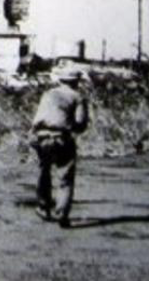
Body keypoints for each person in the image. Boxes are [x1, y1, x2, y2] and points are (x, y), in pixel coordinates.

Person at [30, 71, 90, 228]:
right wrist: (71, 126)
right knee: (65, 176)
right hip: (62, 138)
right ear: (76, 81)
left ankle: (43, 207)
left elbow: (36, 120)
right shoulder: (77, 97)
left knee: (44, 172)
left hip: (42, 137)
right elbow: (81, 123)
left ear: (61, 80)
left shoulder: (48, 94)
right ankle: (62, 213)